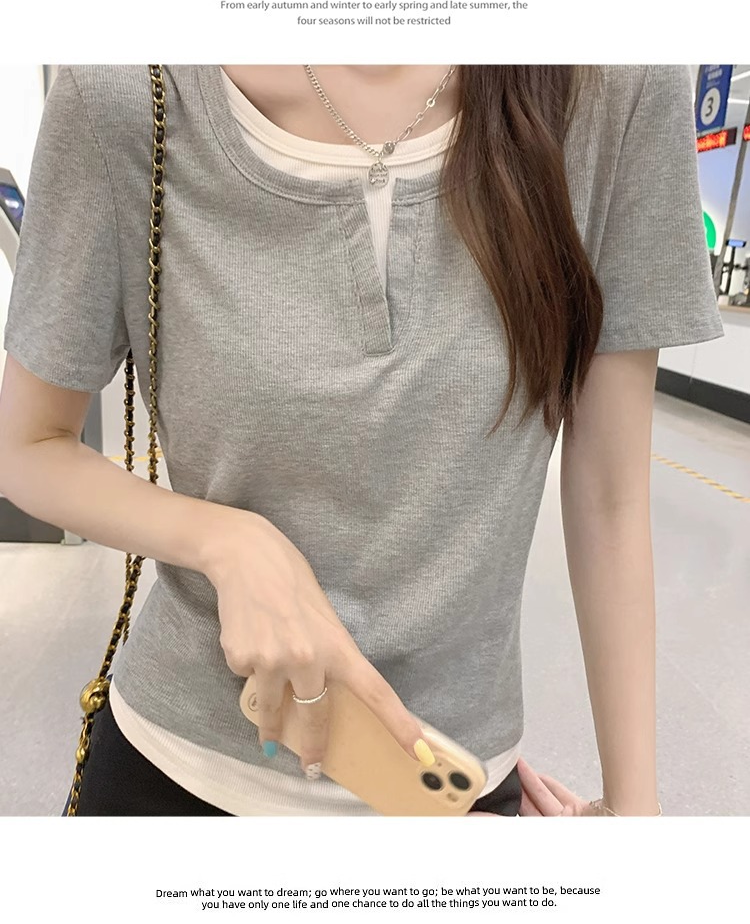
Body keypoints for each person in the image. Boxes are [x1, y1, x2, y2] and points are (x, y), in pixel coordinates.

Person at [0, 63, 723, 817]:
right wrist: (231, 543)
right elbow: (28, 444)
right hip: (181, 772)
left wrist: (635, 825)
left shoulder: (613, 90)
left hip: (447, 789)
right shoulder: (129, 94)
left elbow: (610, 496)